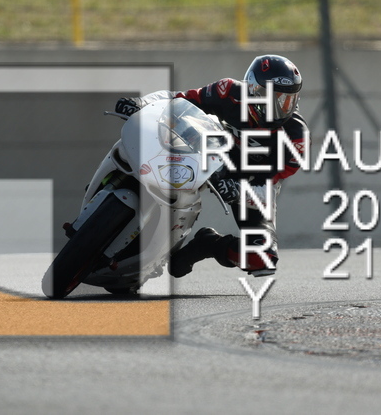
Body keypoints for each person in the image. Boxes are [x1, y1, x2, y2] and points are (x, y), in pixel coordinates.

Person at [115, 54, 308, 278]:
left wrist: (241, 190)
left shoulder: (297, 136)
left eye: (287, 99)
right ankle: (118, 183)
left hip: (248, 182)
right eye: (271, 97)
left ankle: (207, 244)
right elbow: (179, 98)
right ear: (252, 88)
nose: (281, 107)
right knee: (154, 142)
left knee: (263, 259)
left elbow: (271, 183)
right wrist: (142, 103)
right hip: (206, 152)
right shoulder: (228, 91)